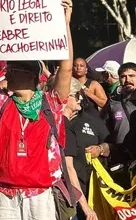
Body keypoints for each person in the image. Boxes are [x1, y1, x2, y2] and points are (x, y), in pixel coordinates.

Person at [0, 0, 75, 220]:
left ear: (30, 76)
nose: (6, 74)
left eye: (13, 70)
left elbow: (66, 68)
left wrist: (64, 25)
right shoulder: (2, 104)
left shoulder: (51, 104)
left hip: (39, 195)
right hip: (4, 195)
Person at [62, 78, 105, 220]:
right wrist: (85, 207)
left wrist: (101, 148)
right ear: (63, 97)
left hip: (87, 190)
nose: (81, 99)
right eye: (76, 95)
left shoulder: (91, 119)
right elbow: (68, 167)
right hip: (66, 197)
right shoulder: (59, 123)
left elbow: (110, 143)